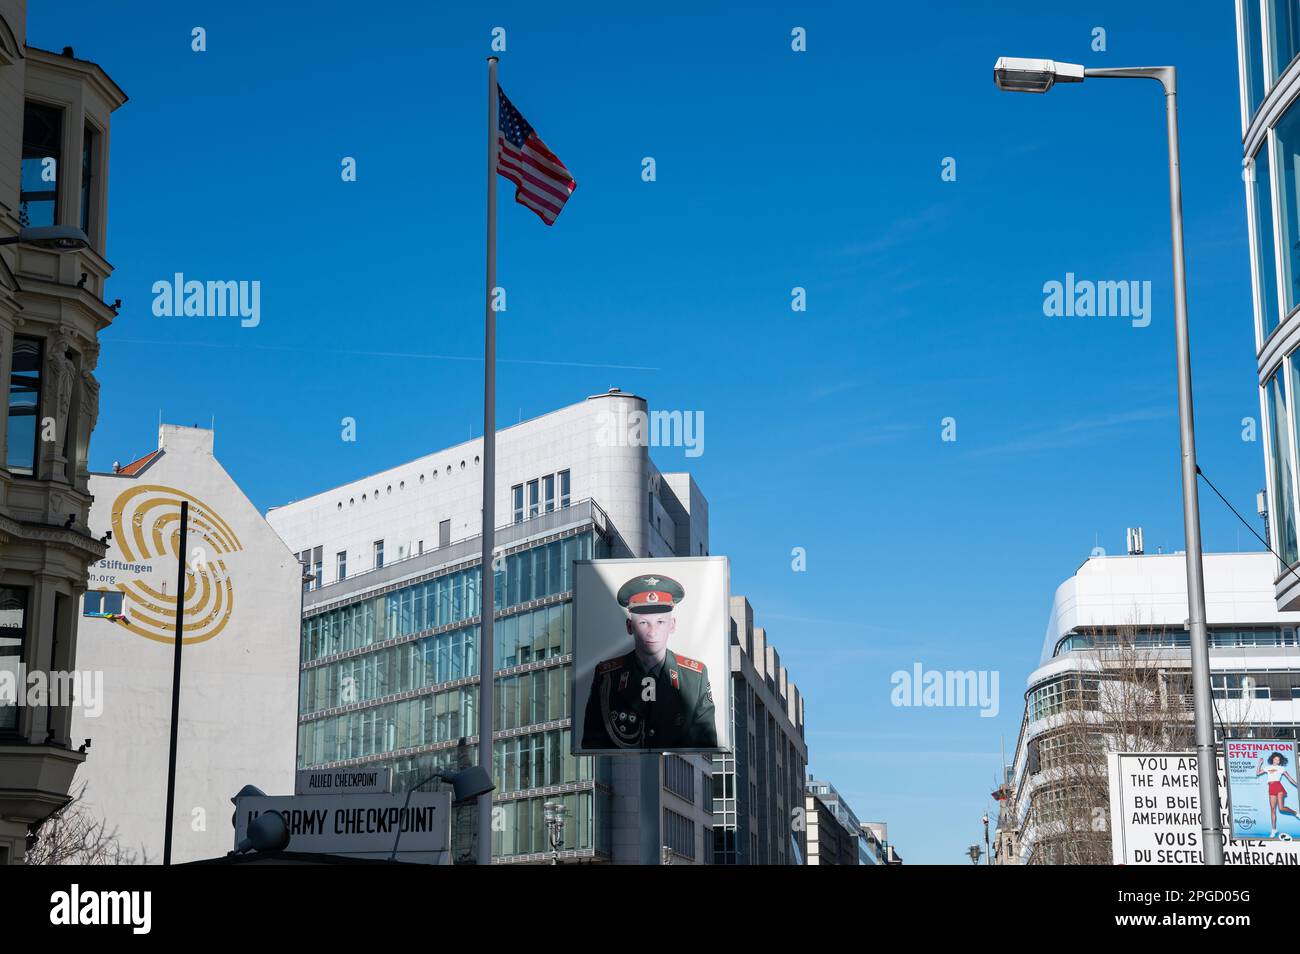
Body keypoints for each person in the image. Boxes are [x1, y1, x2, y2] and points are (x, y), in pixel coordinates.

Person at [581, 574, 717, 750]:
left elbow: (705, 743)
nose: (652, 632)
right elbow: (592, 741)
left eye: (660, 622)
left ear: (672, 625)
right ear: (630, 626)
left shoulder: (694, 677)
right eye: (644, 623)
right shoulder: (607, 676)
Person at [1256, 751, 1299, 837]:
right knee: (1272, 809)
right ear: (1273, 759)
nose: (1277, 761)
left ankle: (1295, 813)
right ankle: (1274, 830)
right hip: (1271, 787)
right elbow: (1257, 773)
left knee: (1281, 808)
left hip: (1278, 786)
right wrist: (1260, 763)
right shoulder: (1267, 767)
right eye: (1276, 759)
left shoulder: (1281, 768)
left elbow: (1289, 778)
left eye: (1278, 760)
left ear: (1280, 761)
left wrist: (1297, 785)